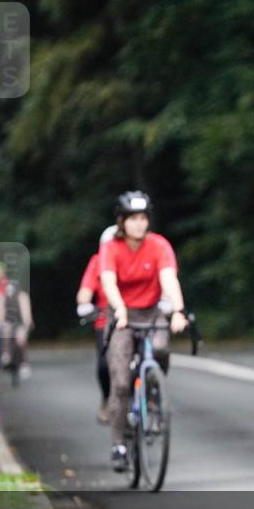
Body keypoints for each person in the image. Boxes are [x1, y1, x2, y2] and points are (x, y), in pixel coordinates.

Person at [99, 191, 188, 472]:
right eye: (132, 219)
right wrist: (120, 309)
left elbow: (168, 278)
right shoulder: (111, 248)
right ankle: (119, 444)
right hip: (122, 314)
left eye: (143, 218)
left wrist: (178, 310)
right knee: (121, 382)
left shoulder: (159, 245)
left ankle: (152, 385)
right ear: (121, 222)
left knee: (161, 348)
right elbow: (108, 281)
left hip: (152, 311)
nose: (139, 224)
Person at [76, 225, 118, 423]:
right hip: (106, 319)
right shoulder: (97, 262)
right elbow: (85, 290)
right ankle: (107, 398)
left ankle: (151, 394)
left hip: (135, 316)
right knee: (104, 365)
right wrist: (85, 303)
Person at [0, 274, 34, 380]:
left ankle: (24, 363)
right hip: (8, 321)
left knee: (21, 338)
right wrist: (0, 324)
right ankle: (6, 353)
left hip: (20, 322)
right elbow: (1, 313)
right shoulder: (2, 297)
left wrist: (26, 326)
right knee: (6, 331)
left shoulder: (22, 297)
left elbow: (26, 314)